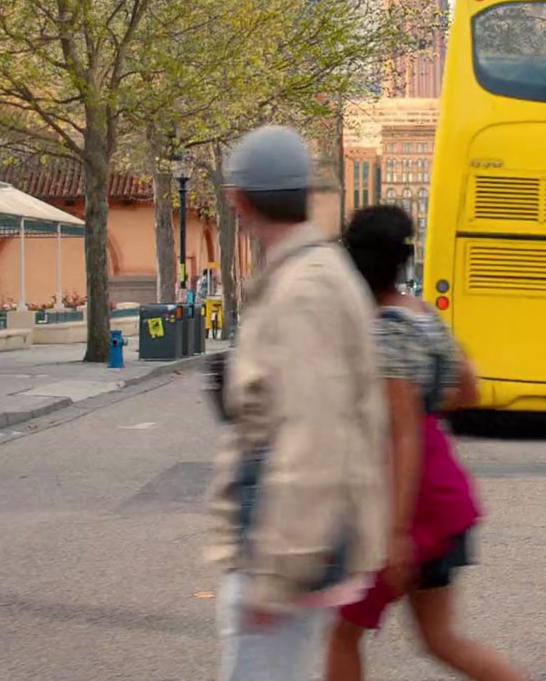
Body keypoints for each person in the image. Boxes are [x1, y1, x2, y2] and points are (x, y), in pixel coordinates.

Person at [206, 126, 388, 681]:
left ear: (238, 201)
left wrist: (278, 569)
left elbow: (313, 436)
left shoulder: (305, 287)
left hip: (284, 544)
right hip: (290, 538)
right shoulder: (307, 274)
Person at [327, 205, 528, 681]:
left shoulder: (384, 331)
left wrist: (395, 535)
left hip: (408, 505)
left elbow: (401, 435)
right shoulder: (422, 315)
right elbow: (470, 389)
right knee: (440, 639)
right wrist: (426, 408)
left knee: (341, 633)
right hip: (442, 492)